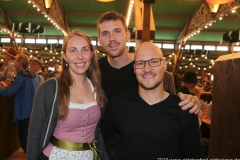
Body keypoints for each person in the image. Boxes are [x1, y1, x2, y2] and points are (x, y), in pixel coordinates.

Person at [97, 11, 200, 158]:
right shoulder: (94, 71)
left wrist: (191, 100)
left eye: (117, 31)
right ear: (99, 39)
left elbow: (171, 105)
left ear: (127, 35)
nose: (112, 38)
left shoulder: (155, 73)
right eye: (105, 34)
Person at [27, 30, 109, 160]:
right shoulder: (50, 88)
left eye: (85, 50)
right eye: (73, 51)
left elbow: (99, 131)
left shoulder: (97, 87)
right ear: (64, 56)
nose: (80, 56)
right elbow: (34, 135)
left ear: (92, 54)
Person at [0, 54, 40, 154]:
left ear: (21, 63)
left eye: (16, 61)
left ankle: (31, 155)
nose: (14, 62)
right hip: (33, 110)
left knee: (23, 135)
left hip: (23, 110)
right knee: (29, 135)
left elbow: (8, 92)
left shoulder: (22, 76)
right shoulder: (35, 76)